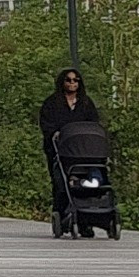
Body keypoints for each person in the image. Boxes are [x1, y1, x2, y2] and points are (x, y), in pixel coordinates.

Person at [40, 68, 103, 222]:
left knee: (92, 178)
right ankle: (62, 214)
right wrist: (54, 133)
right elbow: (46, 124)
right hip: (61, 151)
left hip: (84, 150)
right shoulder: (52, 103)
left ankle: (89, 217)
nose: (72, 83)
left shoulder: (86, 103)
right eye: (68, 80)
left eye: (75, 80)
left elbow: (94, 123)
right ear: (62, 82)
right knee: (61, 183)